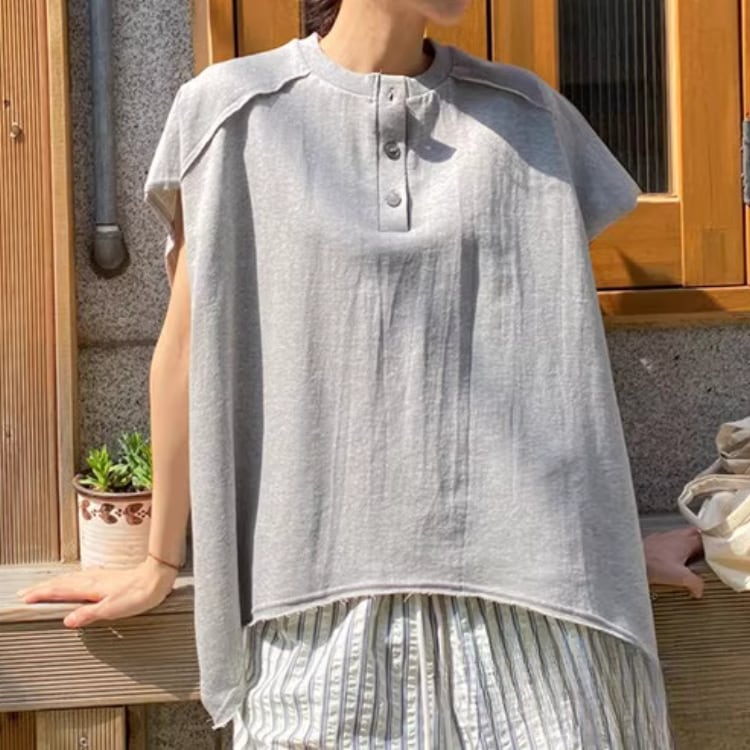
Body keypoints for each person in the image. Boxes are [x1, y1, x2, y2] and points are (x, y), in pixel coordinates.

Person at [18, 0, 705, 746]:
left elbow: (561, 368)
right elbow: (185, 351)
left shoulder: (530, 119)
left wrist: (608, 550)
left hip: (531, 633)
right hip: (317, 629)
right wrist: (158, 559)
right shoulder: (231, 112)